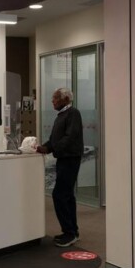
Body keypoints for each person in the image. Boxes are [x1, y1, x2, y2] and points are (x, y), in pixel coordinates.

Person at [37, 88, 84, 247]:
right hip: (63, 159)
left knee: (59, 195)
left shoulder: (73, 114)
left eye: (55, 98)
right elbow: (54, 139)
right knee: (67, 195)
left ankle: (69, 233)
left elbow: (70, 137)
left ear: (65, 99)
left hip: (70, 158)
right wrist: (43, 148)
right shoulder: (61, 116)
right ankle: (72, 232)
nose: (53, 101)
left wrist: (53, 149)